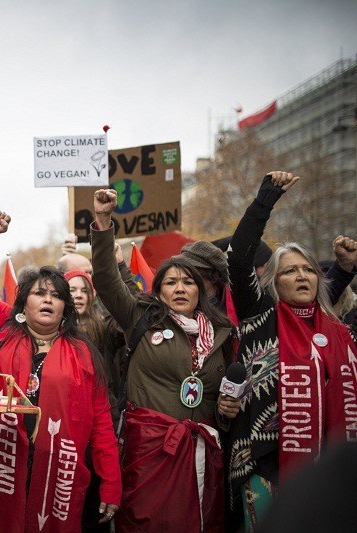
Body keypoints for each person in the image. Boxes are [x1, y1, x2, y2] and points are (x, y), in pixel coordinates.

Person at [0, 210, 121, 532]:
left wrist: (111, 483)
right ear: (24, 303)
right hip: (1, 465)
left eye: (56, 296)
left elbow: (101, 423)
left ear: (65, 307)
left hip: (57, 474)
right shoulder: (3, 325)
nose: (48, 300)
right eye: (39, 293)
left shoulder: (84, 352)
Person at [91, 188, 236, 532]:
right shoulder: (141, 316)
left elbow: (223, 395)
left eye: (189, 282)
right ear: (159, 291)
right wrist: (103, 221)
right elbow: (107, 281)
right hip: (149, 454)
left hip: (203, 454)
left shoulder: (222, 333)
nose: (180, 288)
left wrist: (228, 411)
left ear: (202, 290)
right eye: (171, 282)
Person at [226, 172, 357, 530]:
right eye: (290, 272)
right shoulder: (259, 316)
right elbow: (238, 259)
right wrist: (265, 199)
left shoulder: (340, 330)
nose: (301, 277)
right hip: (265, 464)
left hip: (329, 466)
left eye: (308, 270)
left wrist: (347, 267)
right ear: (273, 283)